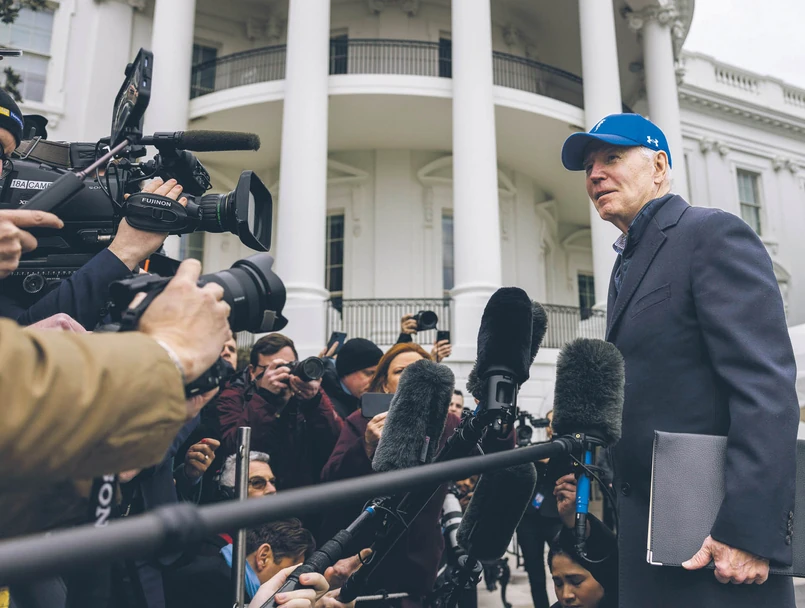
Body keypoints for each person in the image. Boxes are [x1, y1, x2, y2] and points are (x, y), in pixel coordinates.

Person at [561, 113, 799, 606]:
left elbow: (765, 390)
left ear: (659, 167)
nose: (596, 175)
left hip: (718, 550)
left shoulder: (711, 233)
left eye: (612, 157)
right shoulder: (625, 265)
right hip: (654, 543)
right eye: (588, 167)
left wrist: (748, 531)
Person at [321, 343, 512, 606]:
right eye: (401, 371)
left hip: (418, 563)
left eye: (419, 370)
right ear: (384, 384)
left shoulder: (449, 423)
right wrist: (365, 447)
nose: (411, 377)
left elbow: (493, 457)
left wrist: (497, 420)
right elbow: (331, 479)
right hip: (360, 559)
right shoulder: (361, 421)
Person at [217, 334, 343, 491]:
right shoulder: (234, 395)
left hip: (300, 495)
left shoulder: (306, 395)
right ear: (252, 371)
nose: (282, 373)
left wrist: (314, 401)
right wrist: (265, 398)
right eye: (273, 368)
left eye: (289, 366)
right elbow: (235, 450)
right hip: (254, 495)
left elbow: (335, 446)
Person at [162, 519, 316, 608]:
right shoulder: (214, 584)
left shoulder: (218, 568)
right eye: (290, 574)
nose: (291, 584)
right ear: (263, 557)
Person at [320, 338, 383, 419]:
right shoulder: (325, 405)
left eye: (378, 375)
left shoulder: (361, 398)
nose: (375, 381)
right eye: (369, 373)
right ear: (347, 372)